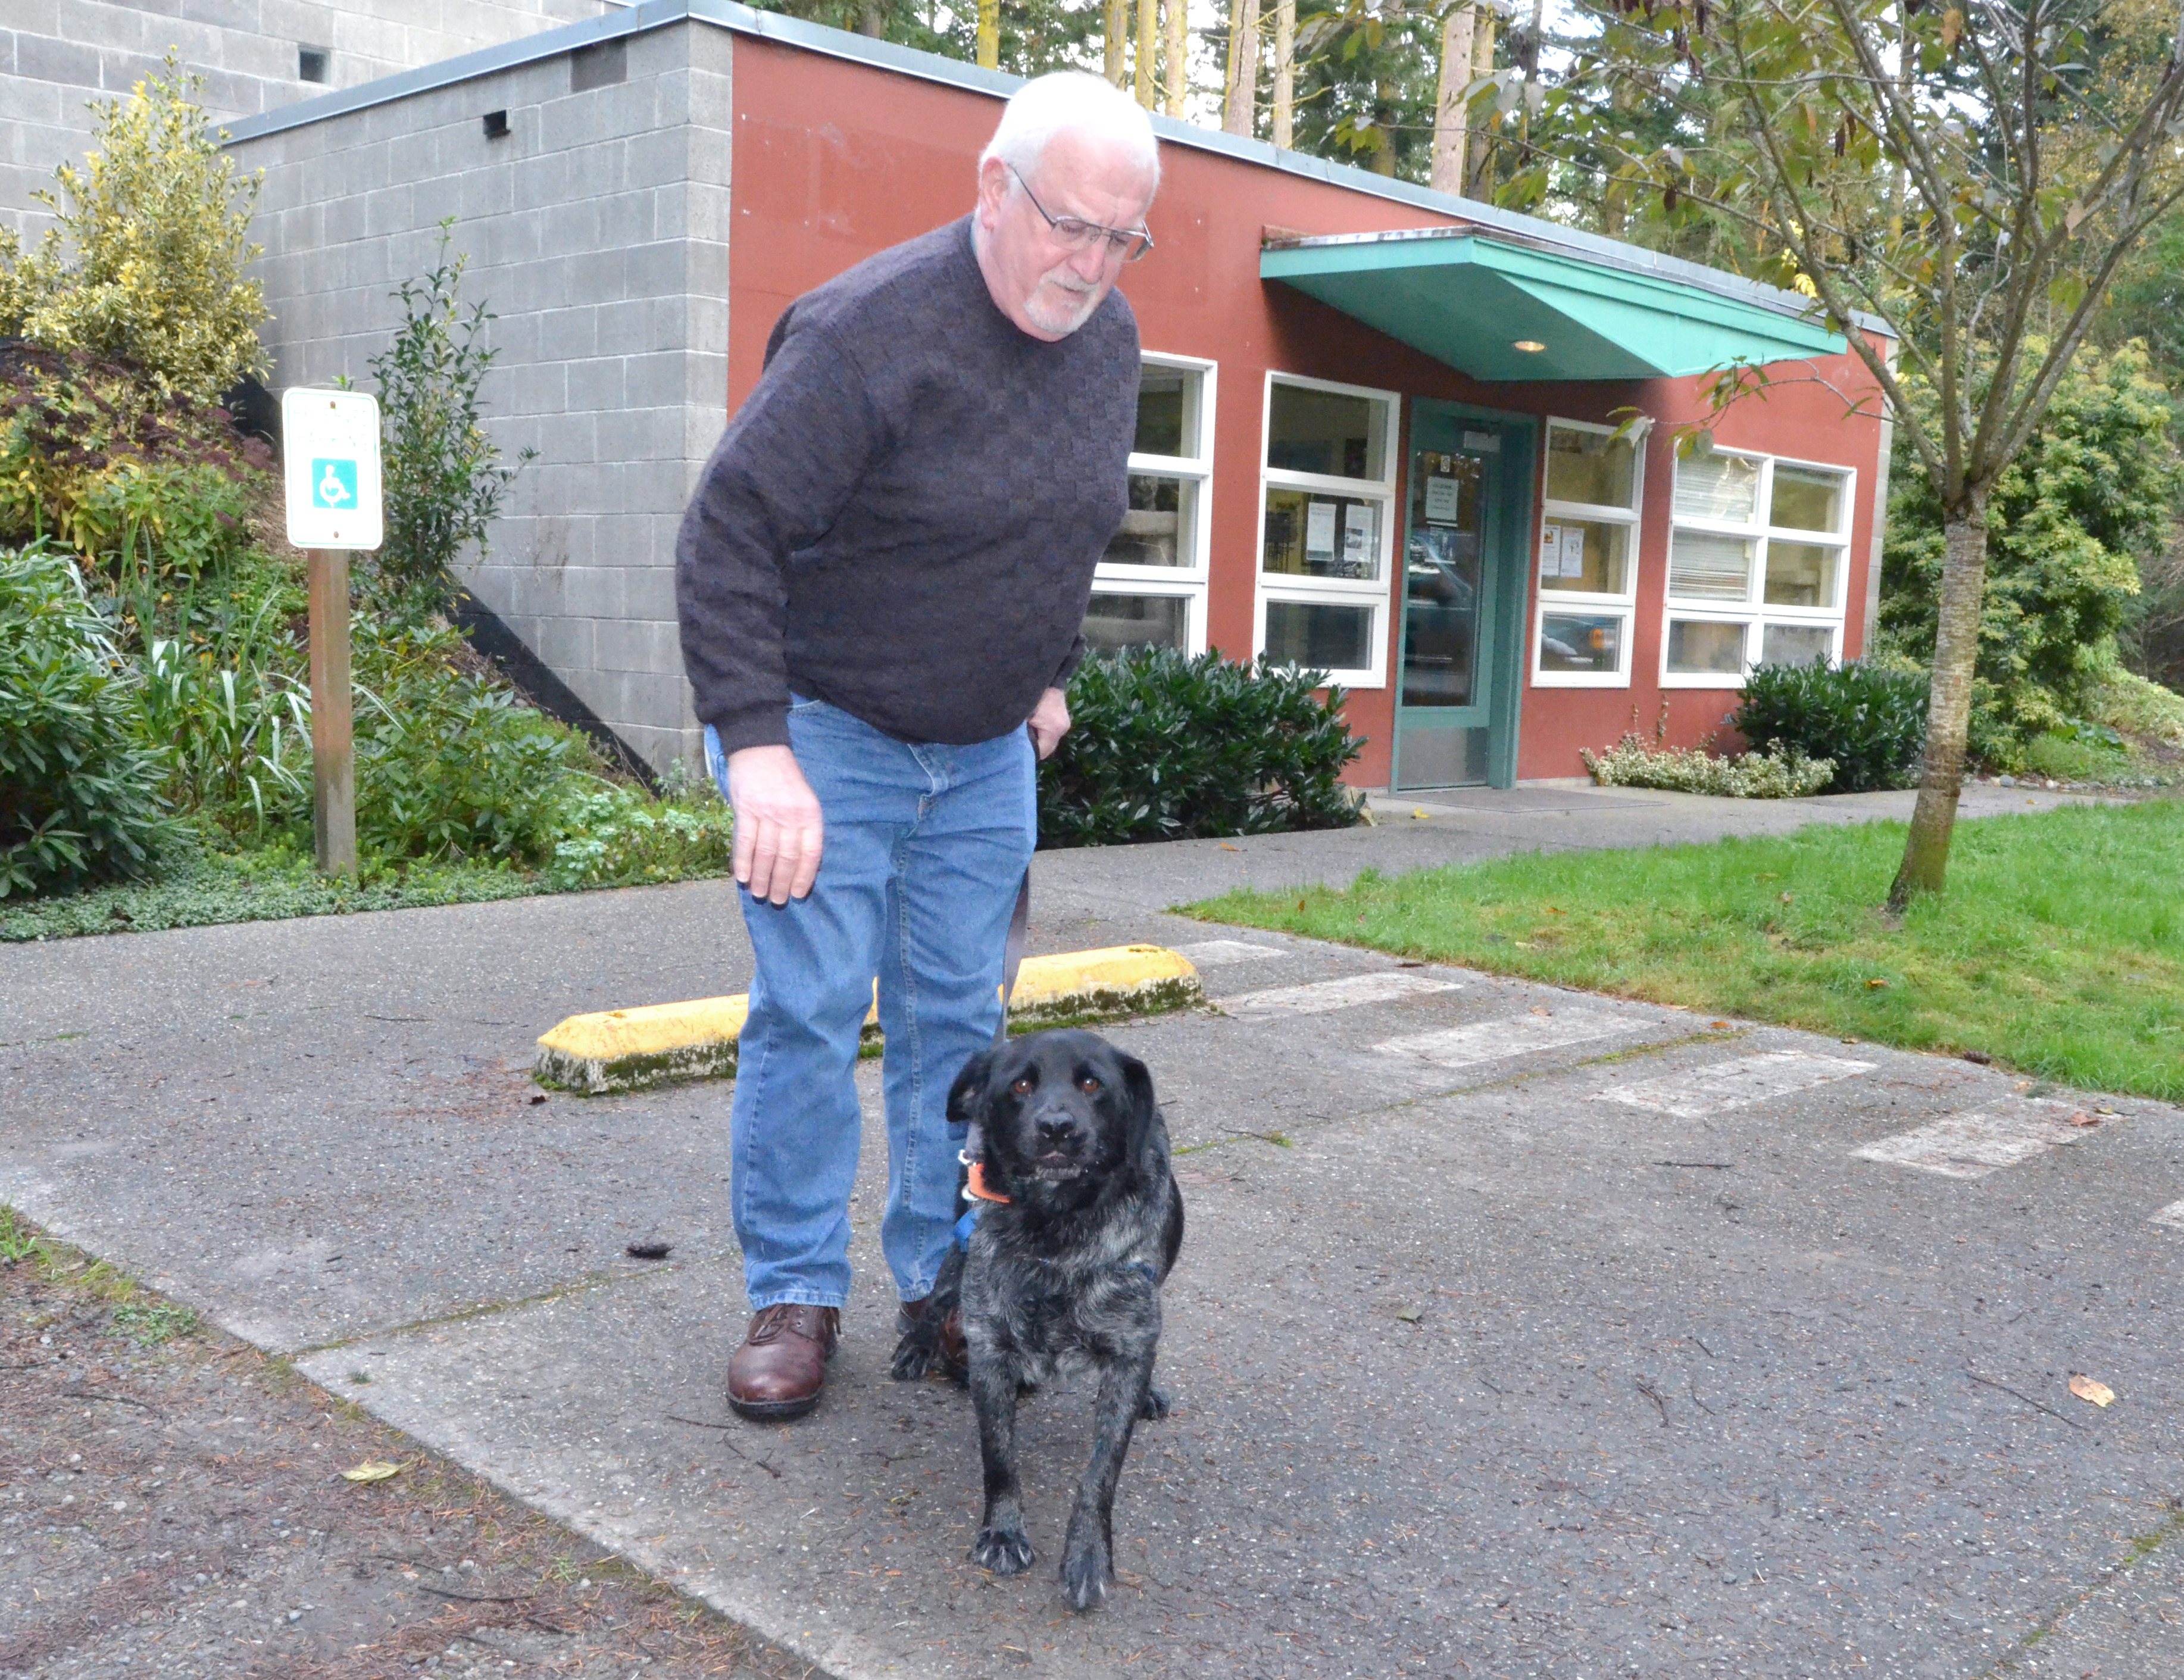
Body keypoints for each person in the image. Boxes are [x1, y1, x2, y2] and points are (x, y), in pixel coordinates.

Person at [674, 71, 1161, 1421]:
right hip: (825, 730)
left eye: (1124, 239)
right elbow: (728, 532)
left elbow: (1070, 521)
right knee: (817, 1011)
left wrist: (1044, 669)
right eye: (1072, 225)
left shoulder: (1107, 339)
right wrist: (755, 746)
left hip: (982, 754)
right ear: (992, 189)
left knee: (964, 1030)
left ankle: (952, 1285)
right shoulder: (864, 333)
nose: (1091, 264)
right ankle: (793, 1292)